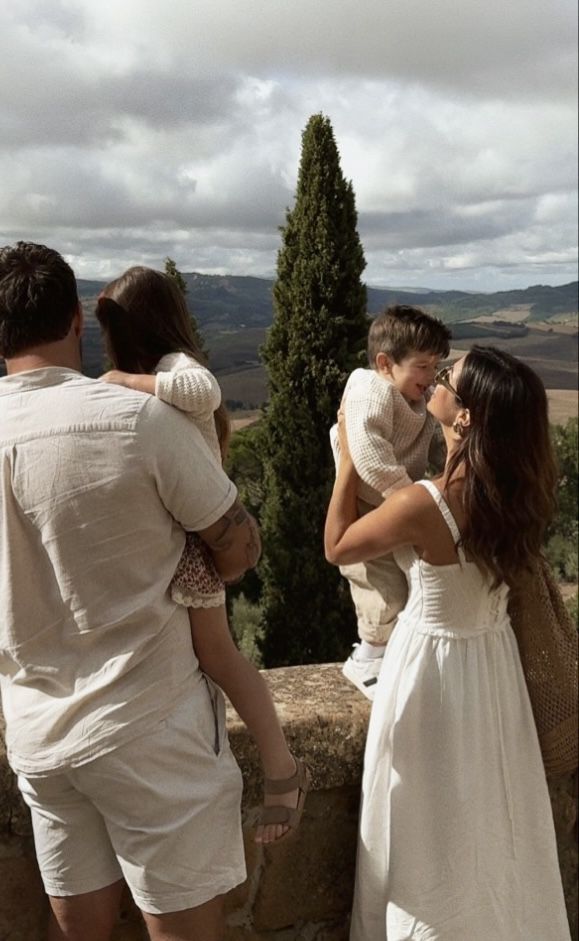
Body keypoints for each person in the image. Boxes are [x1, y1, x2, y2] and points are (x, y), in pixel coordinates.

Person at [0, 241, 261, 941]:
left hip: (37, 732)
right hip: (149, 722)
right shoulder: (137, 420)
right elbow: (236, 546)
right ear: (77, 319)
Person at [325, 347, 571, 941]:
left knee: (426, 827)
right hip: (495, 671)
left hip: (432, 672)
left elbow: (338, 546)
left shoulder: (424, 503)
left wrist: (346, 465)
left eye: (446, 381)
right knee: (494, 814)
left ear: (463, 418)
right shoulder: (518, 497)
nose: (433, 383)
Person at [96, 265, 309, 846]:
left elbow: (203, 389)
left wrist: (119, 380)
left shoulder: (173, 370)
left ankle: (282, 770)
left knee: (221, 657)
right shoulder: (157, 374)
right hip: (188, 540)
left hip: (196, 545)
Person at [330, 305, 451, 699]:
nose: (430, 376)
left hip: (395, 504)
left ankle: (390, 654)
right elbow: (367, 454)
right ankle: (367, 657)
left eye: (435, 366)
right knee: (379, 586)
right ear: (385, 363)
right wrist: (414, 499)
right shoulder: (371, 388)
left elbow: (433, 439)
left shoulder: (415, 395)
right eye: (422, 366)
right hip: (369, 506)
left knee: (410, 584)